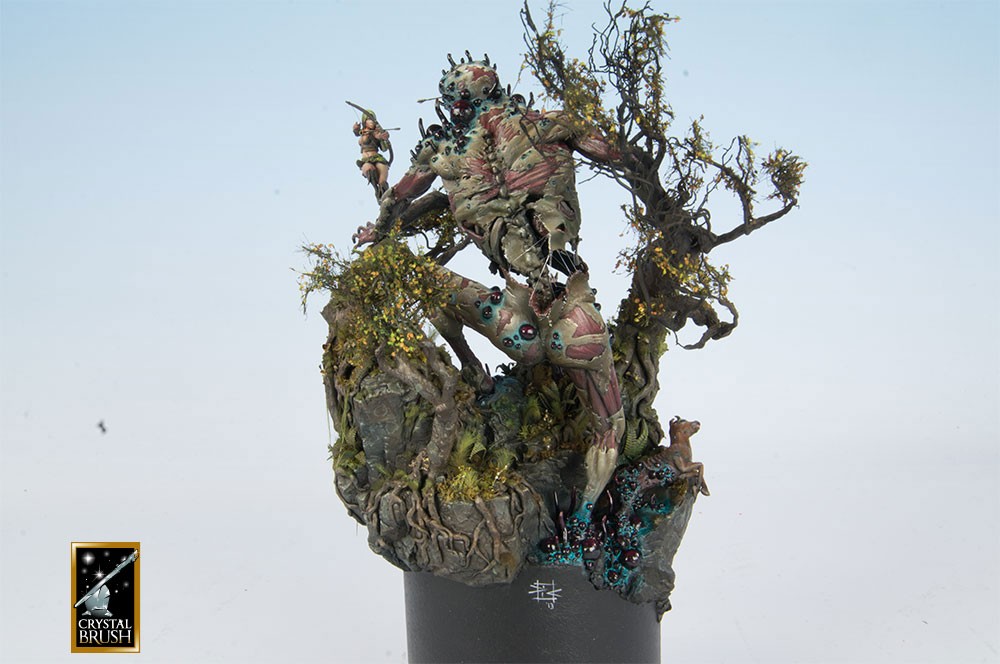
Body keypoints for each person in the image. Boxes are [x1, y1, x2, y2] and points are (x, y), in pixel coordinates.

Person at [356, 56, 623, 503]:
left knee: (423, 278)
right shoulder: (548, 125)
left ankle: (473, 371)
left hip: (513, 322)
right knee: (609, 428)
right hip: (575, 320)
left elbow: (396, 201)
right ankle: (582, 520)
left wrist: (377, 217)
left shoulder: (442, 153)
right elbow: (619, 153)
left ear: (451, 104)